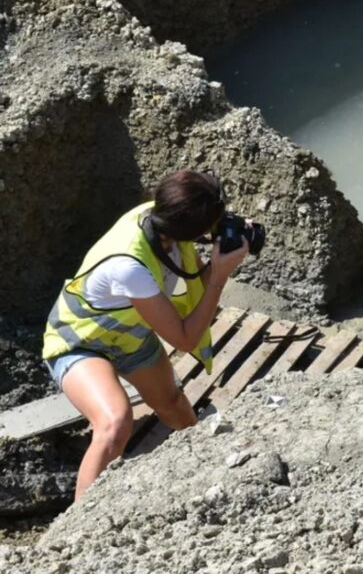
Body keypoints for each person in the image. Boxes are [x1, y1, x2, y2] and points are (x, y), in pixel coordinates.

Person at [41, 170, 251, 500]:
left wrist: (228, 244)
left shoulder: (166, 219)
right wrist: (220, 277)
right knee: (115, 423)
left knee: (174, 407)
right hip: (78, 339)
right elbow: (184, 340)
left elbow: (195, 274)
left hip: (129, 336)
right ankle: (78, 530)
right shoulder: (130, 266)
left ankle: (209, 477)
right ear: (191, 228)